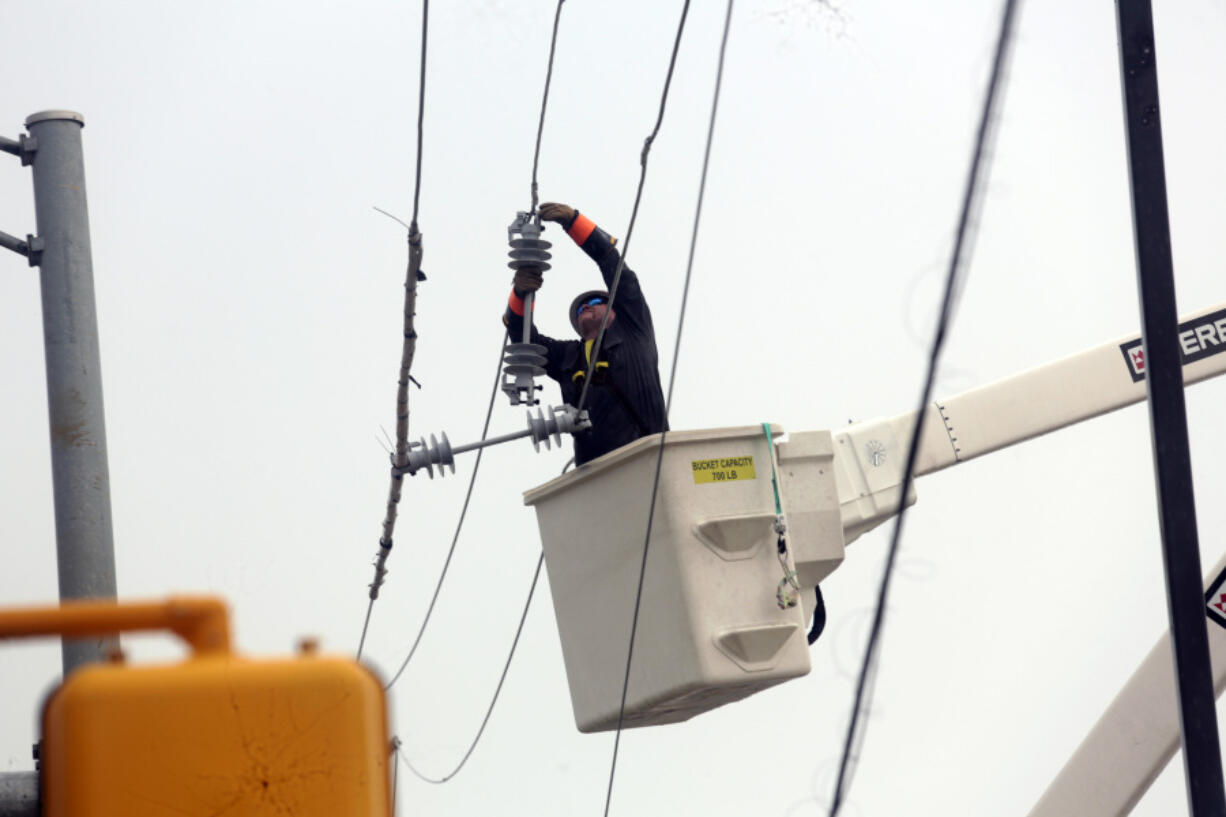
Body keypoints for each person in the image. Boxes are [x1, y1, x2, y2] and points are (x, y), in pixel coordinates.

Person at [503, 202, 667, 466]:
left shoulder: (634, 330)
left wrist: (574, 221)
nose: (585, 309)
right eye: (580, 308)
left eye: (594, 304)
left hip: (647, 458)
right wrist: (520, 293)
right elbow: (523, 339)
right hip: (594, 474)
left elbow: (614, 266)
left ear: (615, 309)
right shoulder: (568, 356)